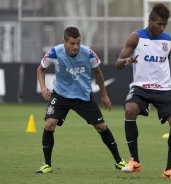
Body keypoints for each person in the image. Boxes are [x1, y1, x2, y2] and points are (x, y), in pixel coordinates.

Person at [35, 26, 126, 174]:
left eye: (78, 43)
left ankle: (119, 161)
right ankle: (47, 165)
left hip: (83, 96)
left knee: (101, 127)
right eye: (72, 43)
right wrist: (43, 87)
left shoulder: (88, 53)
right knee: (49, 124)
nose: (76, 47)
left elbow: (98, 74)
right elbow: (40, 69)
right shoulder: (54, 52)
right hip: (61, 95)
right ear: (65, 42)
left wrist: (104, 95)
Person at [115, 4, 171, 180]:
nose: (161, 28)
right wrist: (127, 60)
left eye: (164, 25)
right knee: (130, 109)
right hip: (140, 87)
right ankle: (134, 161)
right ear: (150, 21)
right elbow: (118, 63)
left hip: (163, 88)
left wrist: (163, 80)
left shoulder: (169, 41)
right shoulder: (136, 37)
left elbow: (165, 62)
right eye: (159, 24)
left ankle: (169, 170)